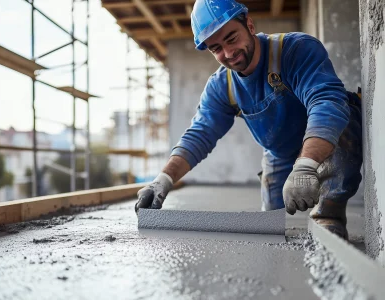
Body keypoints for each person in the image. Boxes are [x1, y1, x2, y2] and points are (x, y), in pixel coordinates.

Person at [135, 0, 362, 239]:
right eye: (216, 49)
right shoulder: (222, 86)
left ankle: (329, 217)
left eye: (232, 39)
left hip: (325, 140)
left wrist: (306, 165)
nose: (228, 53)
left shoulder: (296, 50)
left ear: (250, 26)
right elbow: (199, 134)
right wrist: (163, 180)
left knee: (344, 119)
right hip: (279, 152)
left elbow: (326, 104)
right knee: (270, 225)